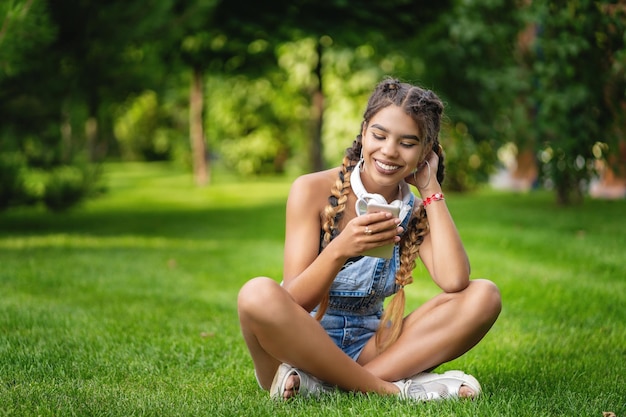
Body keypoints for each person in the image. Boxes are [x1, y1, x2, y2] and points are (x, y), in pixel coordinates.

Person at [237, 78, 502, 401]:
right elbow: (295, 301)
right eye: (379, 135)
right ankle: (393, 390)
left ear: (425, 152)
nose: (389, 151)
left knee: (484, 295)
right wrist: (340, 250)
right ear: (363, 133)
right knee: (256, 294)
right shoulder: (310, 190)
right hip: (297, 347)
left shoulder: (414, 209)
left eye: (407, 143)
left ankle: (326, 387)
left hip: (371, 349)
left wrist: (431, 190)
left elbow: (455, 279)